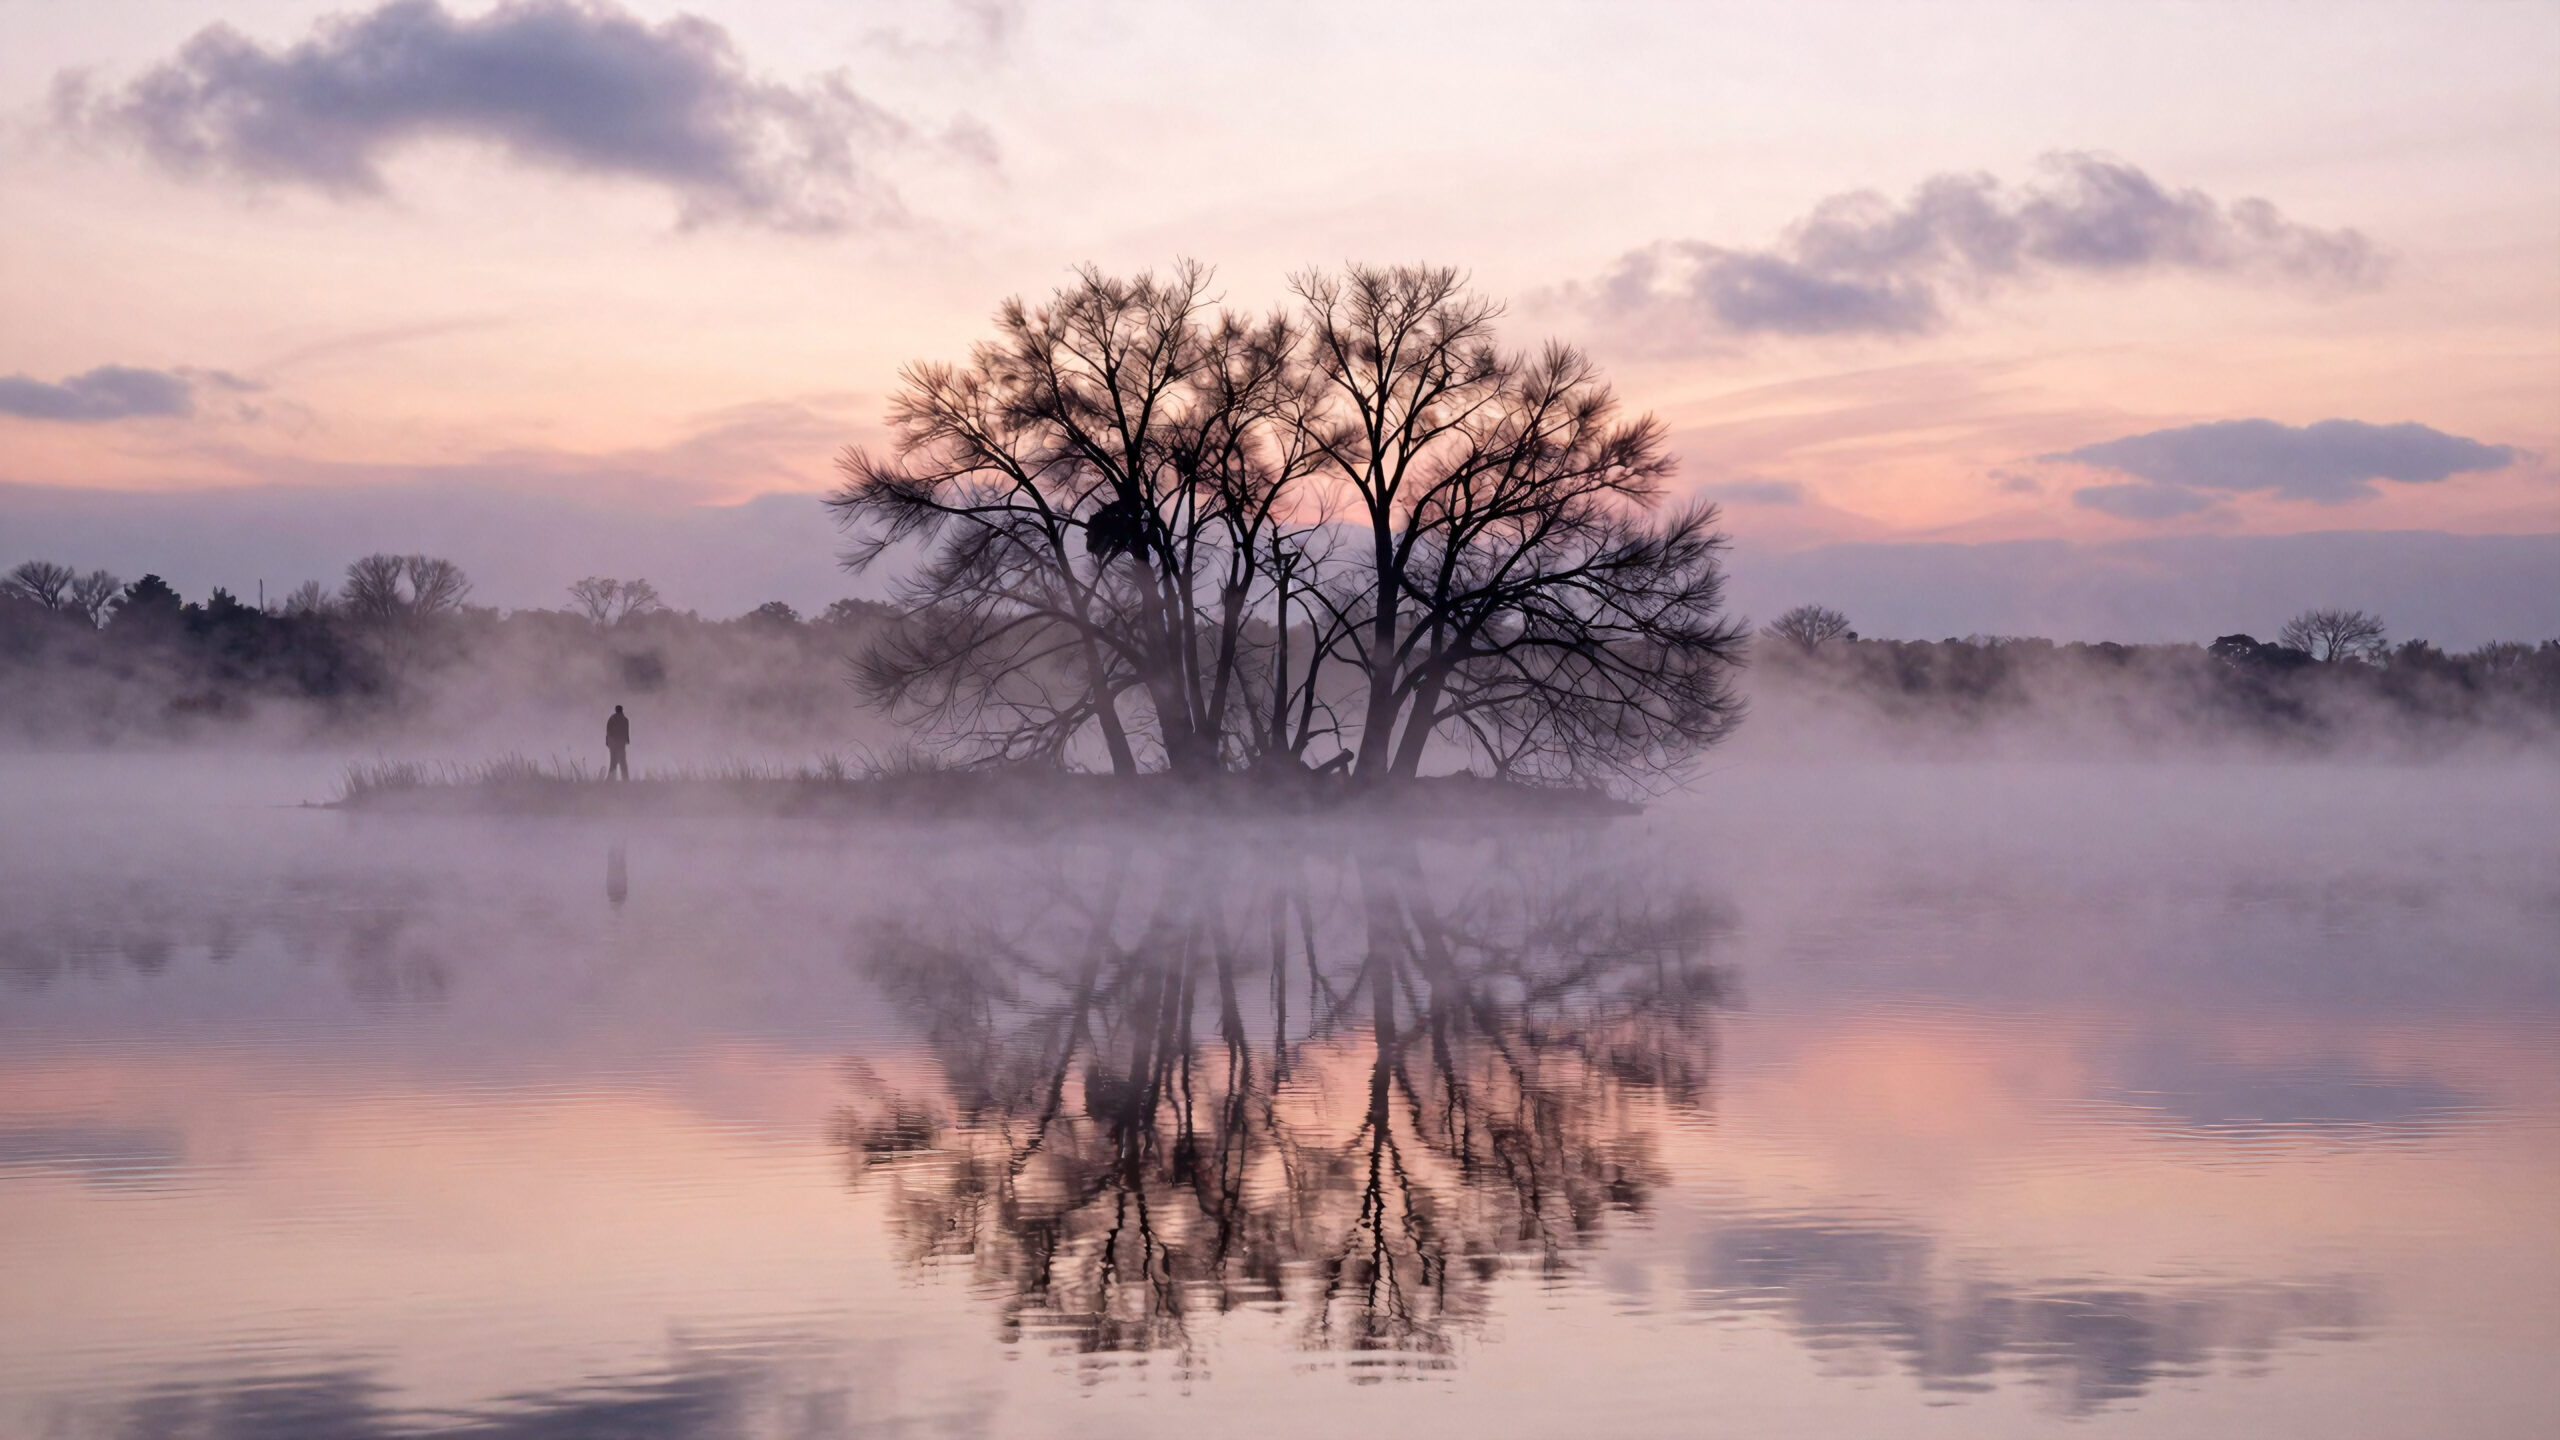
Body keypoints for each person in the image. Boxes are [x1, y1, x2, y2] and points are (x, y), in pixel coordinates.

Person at [605, 704, 631, 780]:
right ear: (621, 710)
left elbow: (608, 731)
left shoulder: (612, 719)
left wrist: (607, 741)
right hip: (621, 743)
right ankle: (625, 779)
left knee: (613, 762)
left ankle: (611, 779)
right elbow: (626, 731)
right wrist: (627, 740)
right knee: (622, 761)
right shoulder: (625, 719)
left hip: (612, 743)